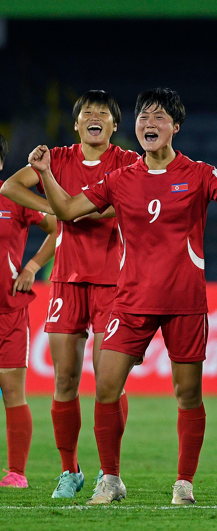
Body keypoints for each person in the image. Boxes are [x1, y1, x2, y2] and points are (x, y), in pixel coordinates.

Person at [29, 88, 217, 505]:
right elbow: (67, 210)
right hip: (131, 300)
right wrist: (45, 172)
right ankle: (110, 479)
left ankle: (184, 483)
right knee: (106, 388)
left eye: (160, 118)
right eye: (144, 117)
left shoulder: (199, 172)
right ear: (134, 126)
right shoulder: (121, 178)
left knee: (188, 394)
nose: (150, 124)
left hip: (184, 301)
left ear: (176, 127)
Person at [0, 90, 138, 498]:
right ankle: (69, 471)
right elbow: (10, 186)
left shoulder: (127, 163)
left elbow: (126, 204)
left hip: (114, 282)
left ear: (114, 126)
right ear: (77, 124)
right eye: (87, 113)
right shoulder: (57, 159)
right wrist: (56, 204)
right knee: (65, 380)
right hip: (66, 281)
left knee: (109, 383)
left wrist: (72, 208)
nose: (95, 117)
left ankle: (108, 472)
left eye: (103, 113)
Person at [0, 133, 58, 488]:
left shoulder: (14, 200)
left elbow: (57, 225)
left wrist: (32, 266)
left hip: (8, 309)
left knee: (11, 389)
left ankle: (16, 473)